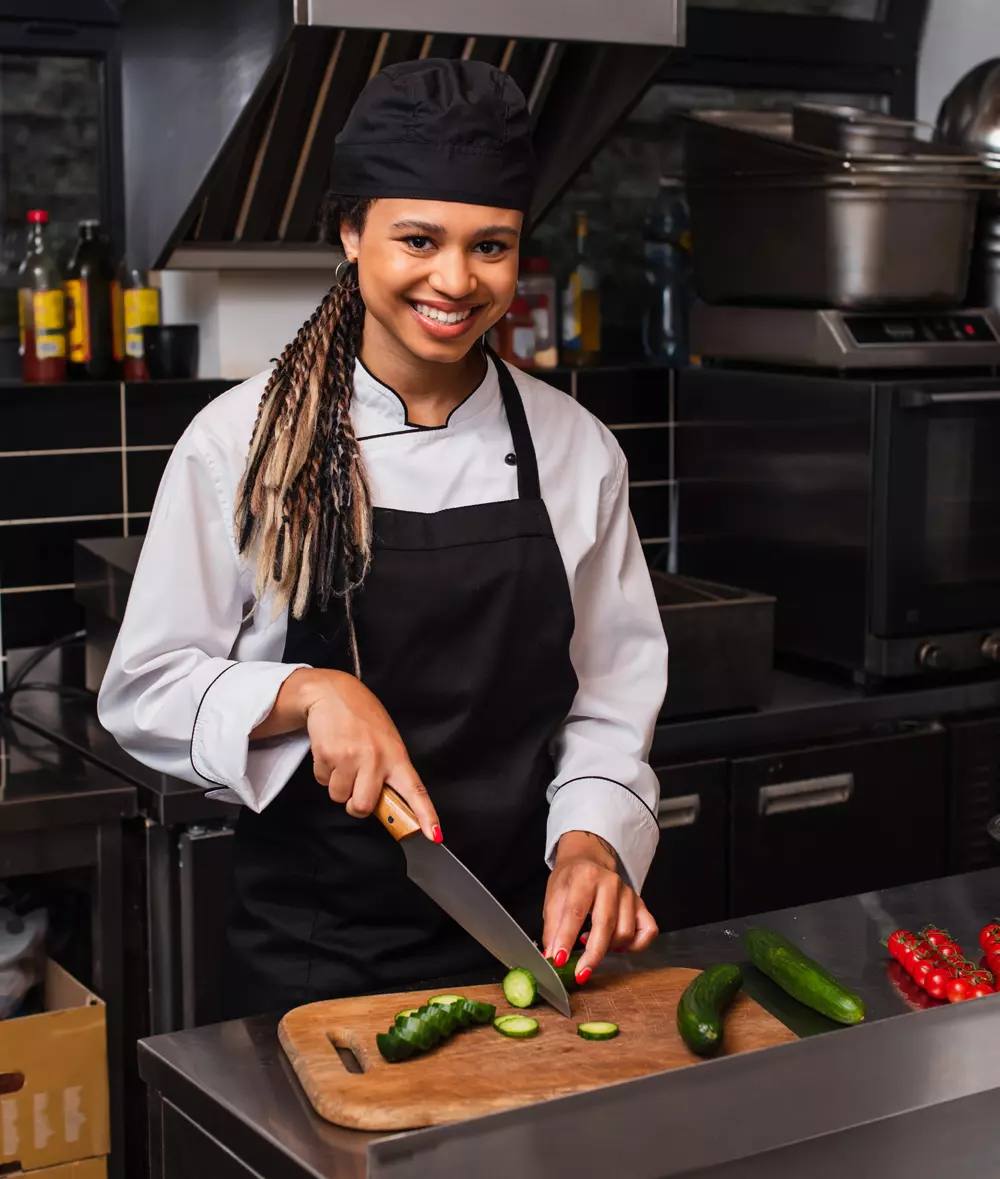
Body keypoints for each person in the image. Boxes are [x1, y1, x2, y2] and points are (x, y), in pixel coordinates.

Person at [98, 58, 668, 1018]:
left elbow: (611, 701)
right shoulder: (242, 443)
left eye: (489, 246)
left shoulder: (576, 450)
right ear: (352, 233)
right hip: (321, 964)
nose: (455, 280)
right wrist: (306, 690)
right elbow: (143, 688)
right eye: (418, 239)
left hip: (531, 943)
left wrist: (592, 840)